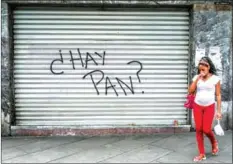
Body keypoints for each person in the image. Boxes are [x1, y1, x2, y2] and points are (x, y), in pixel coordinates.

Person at [188, 56, 222, 162]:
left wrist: (219, 111)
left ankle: (214, 142)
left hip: (209, 106)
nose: (202, 69)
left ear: (209, 67)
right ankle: (202, 154)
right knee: (199, 129)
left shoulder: (215, 79)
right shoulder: (196, 78)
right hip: (198, 105)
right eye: (200, 67)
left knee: (206, 129)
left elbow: (218, 95)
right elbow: (190, 91)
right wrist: (197, 79)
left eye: (204, 66)